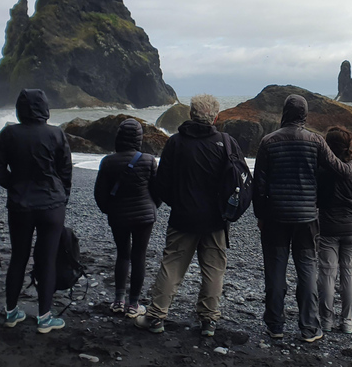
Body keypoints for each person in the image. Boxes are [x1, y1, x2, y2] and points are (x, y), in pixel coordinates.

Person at [253, 94, 352, 343]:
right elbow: (342, 170)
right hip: (306, 219)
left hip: (275, 217)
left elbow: (259, 185)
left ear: (284, 113)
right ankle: (309, 328)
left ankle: (275, 325)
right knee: (307, 271)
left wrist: (260, 215)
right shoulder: (315, 141)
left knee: (276, 272)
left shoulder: (268, 142)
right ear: (304, 115)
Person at [134, 94, 246, 337]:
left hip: (183, 216)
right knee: (214, 269)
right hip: (216, 219)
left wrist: (179, 202)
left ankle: (155, 317)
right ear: (215, 117)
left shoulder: (176, 142)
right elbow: (239, 181)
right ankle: (208, 321)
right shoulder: (226, 142)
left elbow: (161, 183)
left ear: (191, 114)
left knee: (172, 266)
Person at [0, 89, 72, 334]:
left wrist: (13, 184)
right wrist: (61, 194)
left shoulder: (8, 133)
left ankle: (12, 312)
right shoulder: (56, 133)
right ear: (45, 109)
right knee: (47, 259)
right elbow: (65, 170)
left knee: (19, 257)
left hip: (21, 204)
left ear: (20, 109)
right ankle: (45, 317)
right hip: (52, 204)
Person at [94, 118, 160, 318]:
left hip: (119, 215)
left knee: (123, 254)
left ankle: (118, 300)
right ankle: (133, 304)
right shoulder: (149, 160)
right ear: (139, 139)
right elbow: (158, 191)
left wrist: (110, 210)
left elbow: (100, 194)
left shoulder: (108, 161)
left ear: (119, 138)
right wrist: (152, 207)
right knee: (139, 256)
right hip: (144, 216)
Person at [316, 127, 352, 334]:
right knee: (350, 273)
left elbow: (317, 199)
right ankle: (348, 321)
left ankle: (326, 321)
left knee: (327, 274)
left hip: (328, 226)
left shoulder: (321, 169)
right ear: (349, 145)